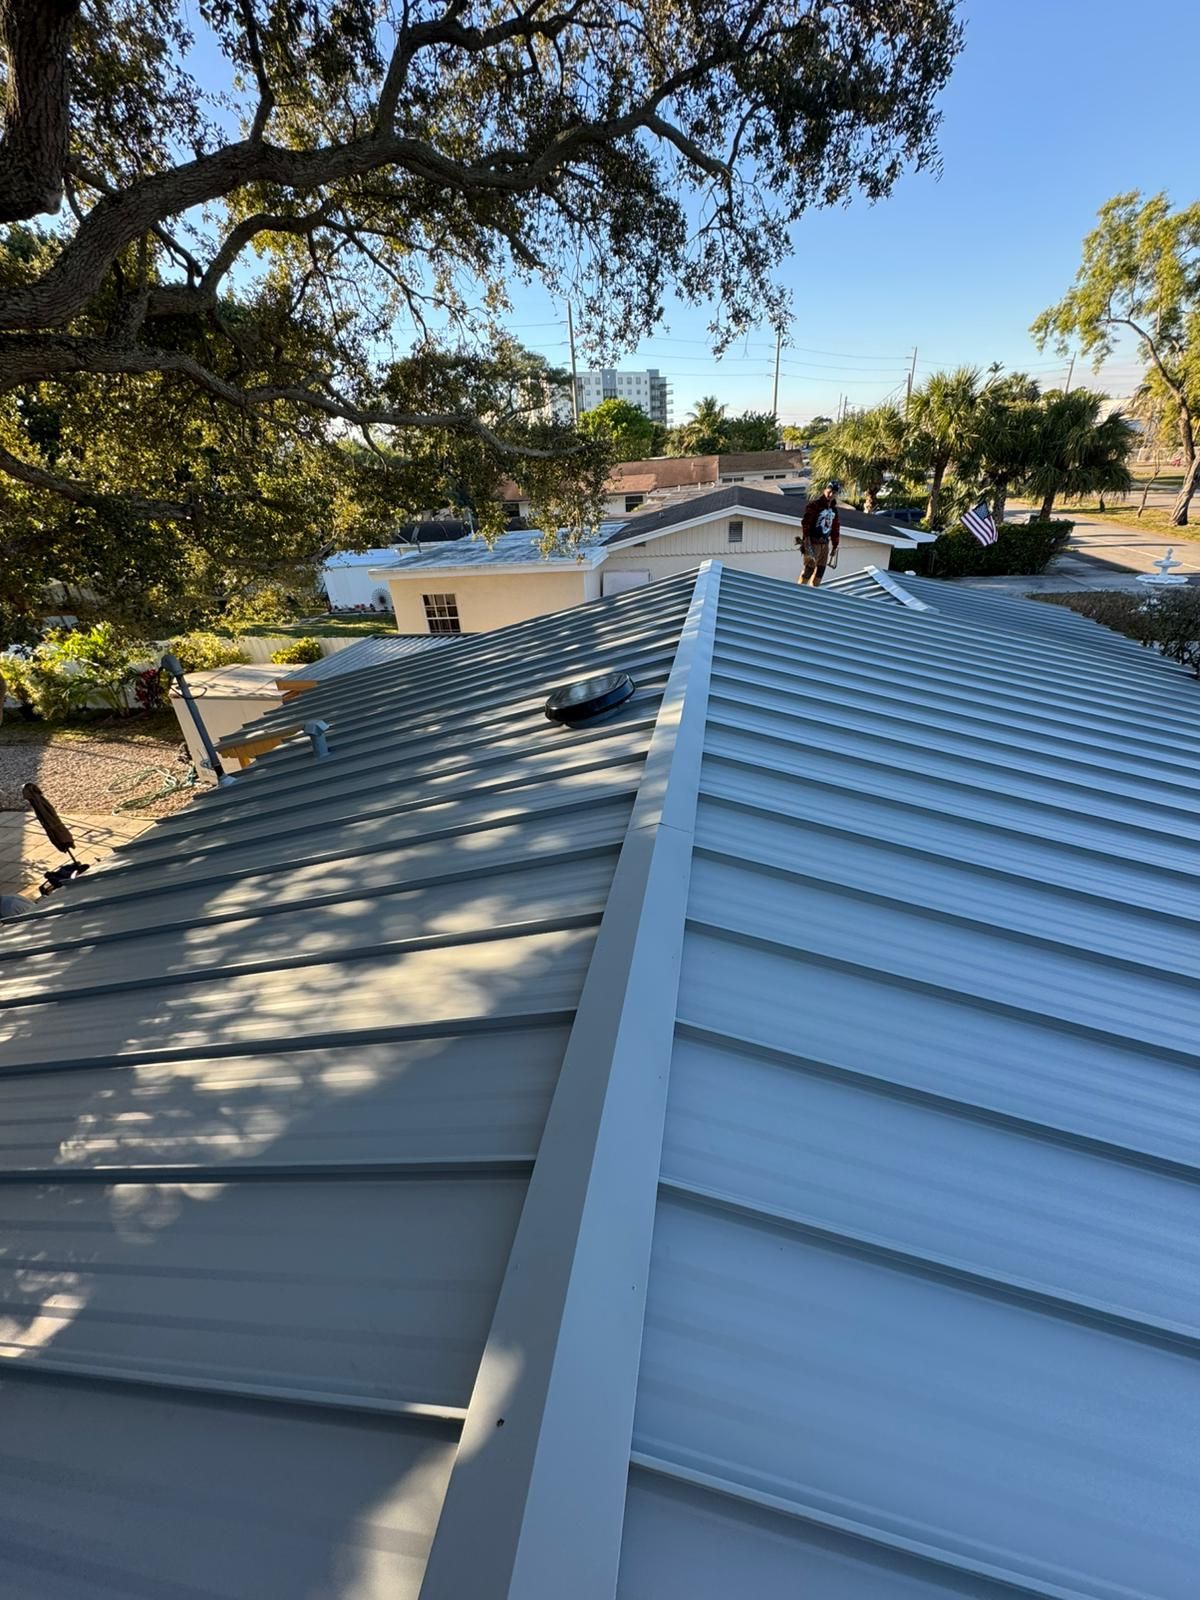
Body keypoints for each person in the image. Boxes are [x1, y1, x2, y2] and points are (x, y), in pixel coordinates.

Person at [800, 480, 841, 586]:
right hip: (813, 542)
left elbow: (835, 528)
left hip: (825, 544)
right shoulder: (815, 505)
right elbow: (806, 523)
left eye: (834, 493)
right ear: (825, 490)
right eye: (830, 491)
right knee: (808, 571)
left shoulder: (834, 510)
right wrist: (807, 540)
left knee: (820, 573)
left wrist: (835, 545)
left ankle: (813, 594)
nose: (831, 495)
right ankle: (800, 591)